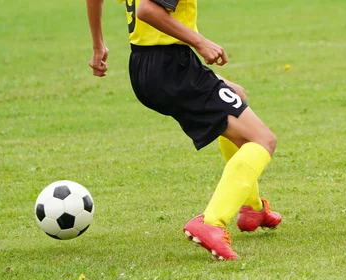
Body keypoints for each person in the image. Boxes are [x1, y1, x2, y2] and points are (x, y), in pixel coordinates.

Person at [86, 0, 282, 260]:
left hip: (145, 65)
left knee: (236, 95)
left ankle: (252, 207)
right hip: (171, 67)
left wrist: (98, 44)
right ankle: (212, 222)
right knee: (262, 139)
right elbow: (147, 9)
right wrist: (199, 41)